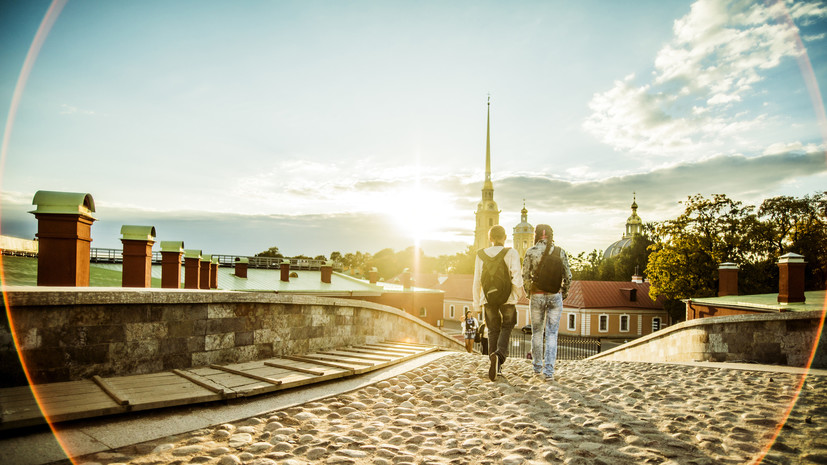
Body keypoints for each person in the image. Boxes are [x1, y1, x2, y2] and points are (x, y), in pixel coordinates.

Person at [473, 225, 523, 381]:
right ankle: (499, 355)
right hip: (507, 298)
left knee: (492, 330)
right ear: (505, 237)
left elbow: (477, 280)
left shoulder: (481, 254)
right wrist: (516, 295)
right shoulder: (511, 253)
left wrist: (476, 304)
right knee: (507, 326)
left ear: (490, 238)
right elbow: (516, 276)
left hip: (488, 298)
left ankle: (495, 366)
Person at [522, 223, 571, 381]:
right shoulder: (560, 251)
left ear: (536, 235)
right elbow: (568, 276)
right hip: (555, 296)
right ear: (551, 235)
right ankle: (549, 372)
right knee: (552, 334)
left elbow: (525, 276)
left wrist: (529, 293)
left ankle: (537, 367)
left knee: (537, 332)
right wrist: (563, 293)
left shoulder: (531, 252)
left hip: (537, 295)